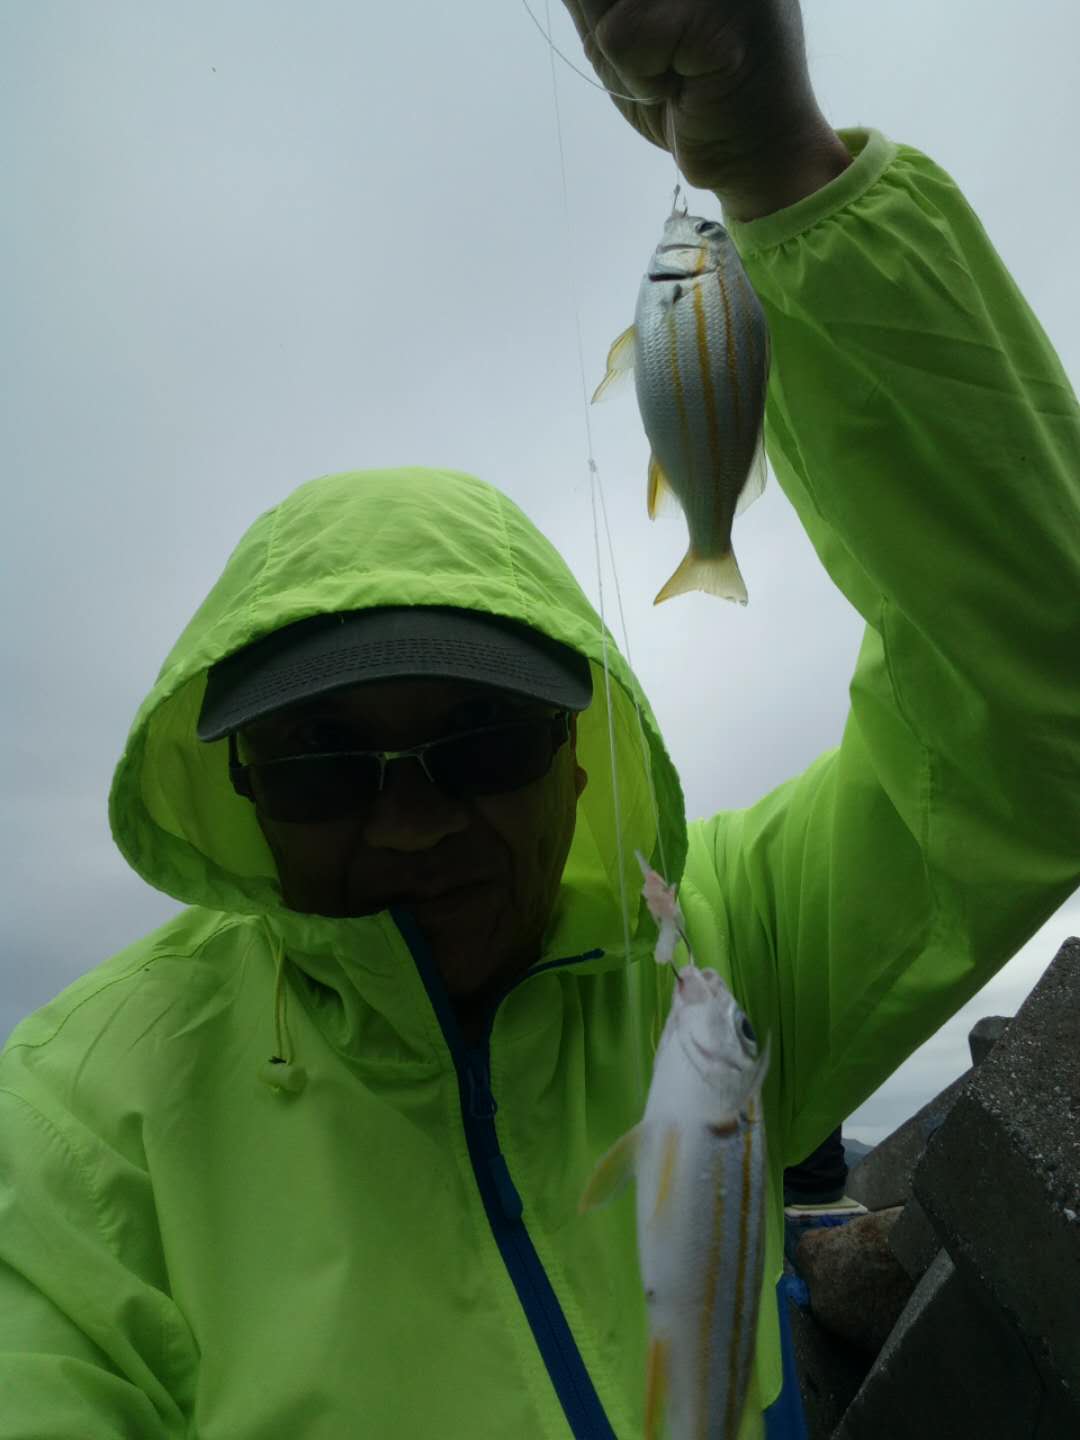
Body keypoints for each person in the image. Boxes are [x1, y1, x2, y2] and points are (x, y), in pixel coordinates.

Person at [2, 1, 1078, 1435]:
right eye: (324, 765)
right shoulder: (70, 1133)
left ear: (582, 760)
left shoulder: (721, 947)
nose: (412, 816)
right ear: (236, 783)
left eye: (484, 741)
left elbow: (1036, 711)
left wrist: (778, 174)